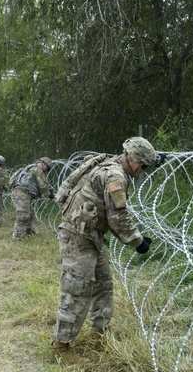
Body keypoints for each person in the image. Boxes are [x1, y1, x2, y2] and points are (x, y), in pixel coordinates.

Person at [52, 137, 159, 348]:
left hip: (91, 235)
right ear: (132, 158)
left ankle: (100, 332)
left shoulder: (107, 162)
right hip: (78, 236)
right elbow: (118, 217)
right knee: (77, 289)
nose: (142, 171)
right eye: (142, 165)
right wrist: (137, 242)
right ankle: (62, 343)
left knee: (103, 284)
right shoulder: (115, 177)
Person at [10, 157, 54, 239]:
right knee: (23, 215)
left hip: (20, 192)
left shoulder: (28, 168)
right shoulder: (38, 170)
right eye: (47, 168)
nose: (46, 170)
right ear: (43, 164)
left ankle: (28, 233)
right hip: (22, 193)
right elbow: (43, 186)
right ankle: (18, 237)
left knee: (29, 214)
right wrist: (49, 195)